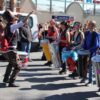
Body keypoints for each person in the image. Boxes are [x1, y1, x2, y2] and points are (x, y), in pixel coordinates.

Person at [2, 9, 34, 87]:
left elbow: (18, 22)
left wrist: (16, 16)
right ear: (11, 18)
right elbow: (22, 22)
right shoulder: (12, 26)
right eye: (13, 15)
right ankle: (11, 82)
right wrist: (29, 14)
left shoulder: (8, 26)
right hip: (11, 50)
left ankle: (6, 78)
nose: (14, 16)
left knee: (10, 64)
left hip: (7, 50)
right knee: (18, 67)